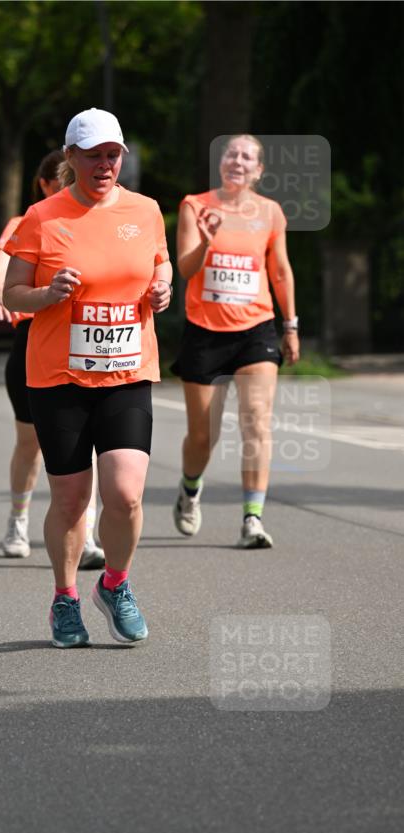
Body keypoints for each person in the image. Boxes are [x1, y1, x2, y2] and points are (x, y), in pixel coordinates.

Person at [3, 108, 172, 647]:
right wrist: (47, 294)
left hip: (126, 371)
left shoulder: (145, 211)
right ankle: (65, 598)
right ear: (70, 157)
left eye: (113, 154)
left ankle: (116, 584)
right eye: (94, 155)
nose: (105, 164)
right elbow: (12, 293)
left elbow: (160, 262)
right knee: (73, 500)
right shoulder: (42, 217)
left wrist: (162, 287)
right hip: (58, 377)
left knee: (124, 494)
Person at [171, 133, 299, 548]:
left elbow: (279, 272)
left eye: (247, 156)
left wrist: (291, 325)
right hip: (205, 333)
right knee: (203, 436)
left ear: (258, 170)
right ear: (221, 162)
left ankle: (252, 519)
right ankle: (190, 489)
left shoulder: (270, 212)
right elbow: (186, 270)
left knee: (257, 422)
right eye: (231, 153)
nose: (237, 161)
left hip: (256, 329)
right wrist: (207, 242)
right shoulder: (195, 205)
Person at [0, 150, 104, 569]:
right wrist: (10, 298)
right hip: (33, 344)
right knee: (30, 444)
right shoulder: (27, 222)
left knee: (85, 448)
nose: (71, 187)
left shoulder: (100, 218)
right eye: (63, 180)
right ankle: (18, 519)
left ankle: (85, 536)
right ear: (45, 185)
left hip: (86, 350)